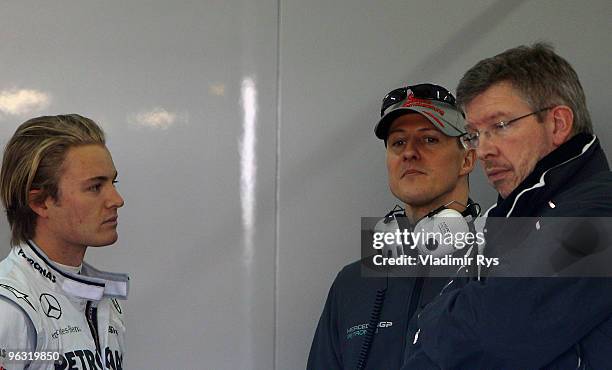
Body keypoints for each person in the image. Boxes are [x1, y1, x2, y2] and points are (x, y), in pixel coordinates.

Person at [401, 43, 612, 369]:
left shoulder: (600, 214)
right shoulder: (509, 218)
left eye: (499, 126)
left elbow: (494, 335)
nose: (483, 151)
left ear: (557, 124)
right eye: (474, 134)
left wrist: (430, 322)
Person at [307, 83, 478, 369]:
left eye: (429, 140)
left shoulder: (500, 267)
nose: (409, 153)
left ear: (467, 159)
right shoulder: (351, 283)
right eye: (398, 142)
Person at [0, 114, 128, 370]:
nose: (117, 199)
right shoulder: (9, 308)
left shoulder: (100, 296)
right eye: (95, 187)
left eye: (112, 182)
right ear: (40, 202)